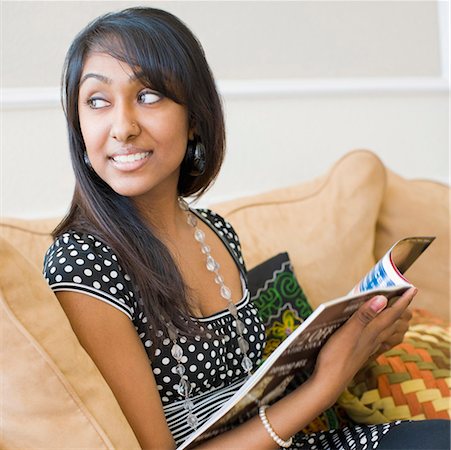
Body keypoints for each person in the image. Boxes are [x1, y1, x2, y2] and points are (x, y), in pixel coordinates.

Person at [43, 7, 450, 450]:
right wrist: (325, 385)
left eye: (149, 95)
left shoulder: (215, 231)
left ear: (194, 117)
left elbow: (251, 396)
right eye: (97, 101)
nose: (122, 127)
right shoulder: (81, 262)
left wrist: (356, 347)